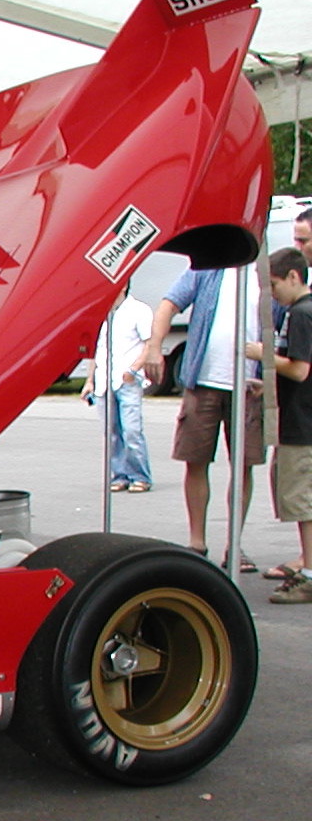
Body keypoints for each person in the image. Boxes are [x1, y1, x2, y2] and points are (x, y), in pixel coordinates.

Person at [143, 266, 264, 571]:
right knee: (195, 460)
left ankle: (234, 545)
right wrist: (154, 347)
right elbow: (169, 303)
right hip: (203, 381)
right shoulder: (209, 268)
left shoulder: (265, 271)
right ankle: (197, 542)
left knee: (244, 466)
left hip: (250, 385)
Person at [245, 249, 312, 601]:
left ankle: (309, 576)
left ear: (293, 277)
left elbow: (300, 369)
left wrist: (262, 355)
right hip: (300, 416)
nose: (272, 295)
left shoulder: (300, 314)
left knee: (302, 503)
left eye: (273, 286)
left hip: (302, 423)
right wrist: (267, 383)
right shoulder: (298, 312)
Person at [81, 290, 153, 492]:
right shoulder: (100, 313)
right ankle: (119, 475)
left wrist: (134, 369)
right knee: (111, 433)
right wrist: (90, 381)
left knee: (131, 430)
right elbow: (97, 350)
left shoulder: (138, 310)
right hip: (104, 381)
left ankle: (140, 475)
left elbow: (150, 343)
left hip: (127, 380)